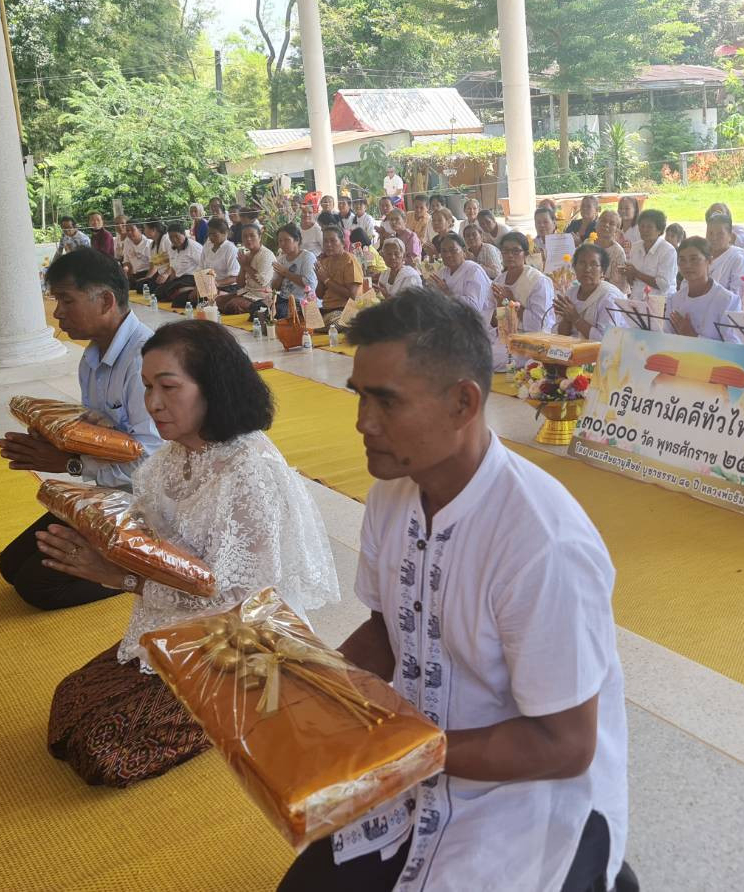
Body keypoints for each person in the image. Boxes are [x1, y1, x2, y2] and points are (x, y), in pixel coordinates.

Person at [278, 290, 628, 892]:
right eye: (360, 395)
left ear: (463, 402)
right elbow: (387, 631)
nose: (362, 422)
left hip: (528, 799)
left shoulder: (542, 544)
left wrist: (399, 752)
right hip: (415, 771)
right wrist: (309, 692)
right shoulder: (394, 492)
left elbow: (565, 746)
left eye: (385, 401)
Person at [46, 321, 339, 787]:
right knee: (70, 704)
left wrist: (120, 577)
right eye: (147, 387)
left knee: (102, 751)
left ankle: (254, 704)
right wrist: (99, 535)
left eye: (169, 386)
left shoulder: (250, 472)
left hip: (238, 642)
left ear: (212, 388)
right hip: (176, 622)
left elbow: (242, 600)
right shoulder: (170, 456)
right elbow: (148, 538)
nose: (154, 403)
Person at [0, 249, 163, 610]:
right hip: (111, 493)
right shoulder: (91, 360)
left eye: (66, 300)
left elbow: (153, 462)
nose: (57, 312)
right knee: (9, 566)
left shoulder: (145, 361)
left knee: (38, 587)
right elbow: (100, 434)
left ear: (105, 300)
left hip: (151, 504)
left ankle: (139, 576)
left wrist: (70, 463)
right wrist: (55, 437)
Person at [492, 231, 556, 366]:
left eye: (515, 251)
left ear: (525, 254)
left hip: (532, 341)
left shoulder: (538, 281)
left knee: (492, 359)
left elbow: (539, 325)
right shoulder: (499, 280)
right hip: (507, 336)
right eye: (505, 251)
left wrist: (512, 301)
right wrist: (500, 307)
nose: (510, 255)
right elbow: (495, 323)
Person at [665, 236, 740, 341]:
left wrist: (693, 337)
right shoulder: (674, 300)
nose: (687, 265)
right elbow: (667, 340)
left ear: (709, 260)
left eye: (694, 259)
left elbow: (733, 347)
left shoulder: (727, 301)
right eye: (682, 260)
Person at [555, 242, 627, 341]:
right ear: (574, 268)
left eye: (594, 265)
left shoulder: (609, 297)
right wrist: (566, 319)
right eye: (582, 263)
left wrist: (576, 319)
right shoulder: (571, 293)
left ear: (602, 271)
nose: (587, 269)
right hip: (572, 351)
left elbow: (606, 340)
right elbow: (560, 335)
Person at [169, 216, 238, 307]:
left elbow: (234, 277)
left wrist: (217, 283)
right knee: (180, 300)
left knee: (206, 303)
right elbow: (200, 269)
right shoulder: (208, 245)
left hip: (225, 287)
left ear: (225, 233)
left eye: (214, 234)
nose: (211, 237)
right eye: (209, 234)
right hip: (207, 286)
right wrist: (198, 287)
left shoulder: (230, 249)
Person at [425, 231, 491, 316]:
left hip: (475, 323)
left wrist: (447, 293)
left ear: (463, 250)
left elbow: (474, 307)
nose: (448, 255)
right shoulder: (443, 272)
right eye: (444, 251)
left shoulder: (473, 270)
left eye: (453, 250)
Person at [617, 209, 677, 303]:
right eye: (642, 226)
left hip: (660, 303)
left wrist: (636, 273)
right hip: (637, 300)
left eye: (649, 227)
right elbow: (633, 282)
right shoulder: (636, 247)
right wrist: (628, 273)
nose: (644, 230)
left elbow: (663, 285)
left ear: (659, 230)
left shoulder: (668, 251)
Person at [217, 223, 276, 316]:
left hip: (261, 296)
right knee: (219, 301)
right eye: (245, 236)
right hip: (247, 292)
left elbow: (262, 281)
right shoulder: (247, 255)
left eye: (252, 236)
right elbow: (240, 284)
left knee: (233, 305)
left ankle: (256, 311)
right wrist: (243, 266)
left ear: (260, 237)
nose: (248, 239)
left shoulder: (266, 255)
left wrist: (246, 266)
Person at [315, 225, 365, 323]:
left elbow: (353, 296)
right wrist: (320, 278)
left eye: (333, 241)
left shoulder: (349, 260)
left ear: (342, 242)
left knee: (331, 323)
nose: (328, 245)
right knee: (305, 321)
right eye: (325, 241)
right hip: (327, 309)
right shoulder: (325, 262)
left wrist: (326, 279)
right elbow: (320, 295)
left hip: (346, 310)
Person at [270, 223, 317, 319]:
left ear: (297, 240)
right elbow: (274, 288)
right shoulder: (281, 259)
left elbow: (309, 283)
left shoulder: (307, 257)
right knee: (260, 308)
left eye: (287, 240)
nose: (282, 244)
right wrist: (280, 276)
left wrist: (285, 273)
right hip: (283, 299)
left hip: (301, 301)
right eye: (280, 241)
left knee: (279, 312)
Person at [705, 213, 744, 299]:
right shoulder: (701, 256)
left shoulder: (737, 258)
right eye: (710, 233)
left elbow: (738, 295)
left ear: (730, 236)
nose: (714, 238)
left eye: (720, 234)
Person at [156, 222, 203, 301]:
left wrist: (198, 286)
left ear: (184, 234)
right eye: (171, 237)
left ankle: (190, 289)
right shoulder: (171, 247)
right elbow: (173, 267)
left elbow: (204, 266)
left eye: (177, 236)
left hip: (192, 278)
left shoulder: (194, 247)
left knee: (173, 293)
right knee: (158, 293)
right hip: (179, 278)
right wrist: (168, 279)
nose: (174, 239)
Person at [530, 205, 576, 272]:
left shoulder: (565, 241)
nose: (541, 225)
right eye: (538, 222)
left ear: (554, 223)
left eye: (545, 222)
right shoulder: (532, 245)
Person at [593, 210, 629, 277]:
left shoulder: (618, 253)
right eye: (603, 221)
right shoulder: (588, 243)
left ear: (617, 230)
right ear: (597, 223)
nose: (606, 225)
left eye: (612, 223)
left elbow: (618, 280)